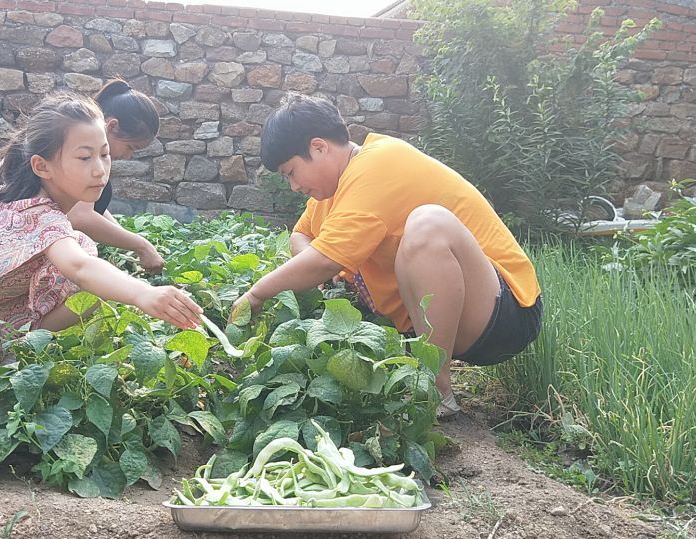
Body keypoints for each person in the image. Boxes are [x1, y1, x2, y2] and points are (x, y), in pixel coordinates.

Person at [230, 95, 542, 417]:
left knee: (427, 224)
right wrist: (325, 275)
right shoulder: (332, 193)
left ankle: (435, 391)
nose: (293, 185)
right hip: (443, 321)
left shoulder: (379, 164)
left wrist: (257, 294)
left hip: (504, 311)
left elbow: (324, 261)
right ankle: (424, 374)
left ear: (320, 147)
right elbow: (301, 234)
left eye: (291, 172)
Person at [0, 93, 203, 385]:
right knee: (90, 283)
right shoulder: (39, 211)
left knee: (82, 259)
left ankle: (20, 339)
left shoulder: (27, 191)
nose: (100, 169)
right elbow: (79, 266)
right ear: (42, 166)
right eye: (85, 157)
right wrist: (143, 293)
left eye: (105, 154)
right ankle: (15, 354)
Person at [0, 79, 164, 273]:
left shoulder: (78, 152)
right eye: (131, 147)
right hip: (6, 251)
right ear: (111, 126)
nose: (128, 156)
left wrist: (127, 239)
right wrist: (141, 246)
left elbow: (93, 208)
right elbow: (80, 216)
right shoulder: (68, 150)